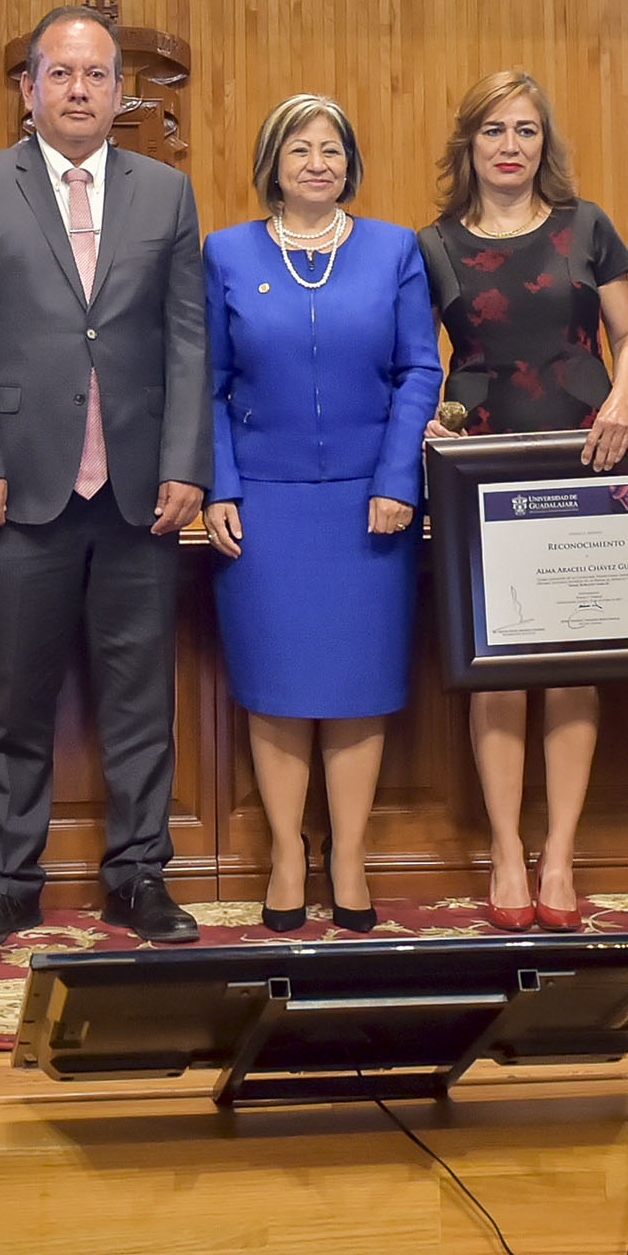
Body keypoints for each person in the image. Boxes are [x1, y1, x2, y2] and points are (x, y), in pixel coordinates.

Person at [0, 2, 212, 948]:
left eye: (96, 75)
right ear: (29, 88)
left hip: (139, 494)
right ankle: (6, 884)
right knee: (16, 699)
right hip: (18, 491)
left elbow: (186, 336)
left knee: (141, 703)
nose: (79, 89)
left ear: (120, 90)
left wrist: (185, 462)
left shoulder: (165, 193)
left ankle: (140, 877)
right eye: (61, 73)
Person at [204, 94, 439, 933]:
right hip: (262, 502)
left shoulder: (393, 248)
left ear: (350, 163)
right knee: (275, 684)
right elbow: (207, 381)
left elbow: (418, 370)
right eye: (299, 147)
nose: (316, 162)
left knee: (357, 684)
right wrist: (220, 485)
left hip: (368, 500)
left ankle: (349, 854)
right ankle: (284, 852)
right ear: (272, 163)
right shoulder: (226, 251)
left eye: (331, 148)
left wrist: (396, 479)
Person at [421, 70, 628, 929]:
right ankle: (505, 850)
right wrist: (429, 421)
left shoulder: (585, 225)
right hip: (481, 465)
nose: (509, 145)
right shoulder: (432, 243)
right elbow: (416, 358)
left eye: (524, 129)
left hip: (585, 454)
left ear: (543, 142)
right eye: (493, 130)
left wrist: (623, 399)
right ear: (468, 144)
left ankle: (559, 852)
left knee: (571, 665)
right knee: (500, 664)